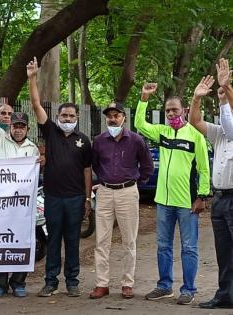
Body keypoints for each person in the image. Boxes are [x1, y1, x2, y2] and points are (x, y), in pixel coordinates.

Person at [134, 82, 210, 305]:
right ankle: (164, 286)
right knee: (163, 246)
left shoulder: (196, 135)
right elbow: (139, 123)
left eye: (175, 109)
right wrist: (144, 98)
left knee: (189, 247)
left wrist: (202, 196)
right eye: (167, 110)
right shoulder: (163, 132)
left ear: (184, 110)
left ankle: (189, 289)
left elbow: (204, 168)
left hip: (187, 203)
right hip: (163, 202)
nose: (171, 113)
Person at [27, 57, 92, 298]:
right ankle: (50, 281)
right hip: (53, 198)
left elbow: (87, 170)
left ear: (76, 118)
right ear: (57, 116)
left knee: (72, 241)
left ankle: (72, 282)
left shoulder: (84, 141)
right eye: (63, 115)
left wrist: (87, 199)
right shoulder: (50, 132)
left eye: (71, 116)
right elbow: (35, 104)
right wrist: (32, 78)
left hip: (75, 199)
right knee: (53, 239)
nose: (66, 119)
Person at [0, 69, 39, 298]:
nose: (17, 129)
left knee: (21, 241)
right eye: (14, 125)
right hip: (0, 203)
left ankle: (18, 282)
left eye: (21, 126)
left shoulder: (32, 149)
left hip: (23, 206)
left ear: (27, 129)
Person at [90, 101, 154, 299]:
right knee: (101, 240)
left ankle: (127, 283)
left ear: (124, 118)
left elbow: (147, 167)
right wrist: (103, 181)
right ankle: (102, 284)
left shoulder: (136, 140)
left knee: (129, 240)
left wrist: (134, 183)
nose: (112, 119)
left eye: (116, 115)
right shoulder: (99, 141)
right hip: (105, 192)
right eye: (109, 116)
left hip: (128, 192)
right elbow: (95, 165)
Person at [189, 58, 233, 309]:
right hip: (220, 199)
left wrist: (226, 89)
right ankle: (225, 295)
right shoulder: (220, 134)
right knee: (224, 252)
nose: (222, 102)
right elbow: (195, 122)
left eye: (225, 98)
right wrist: (196, 99)